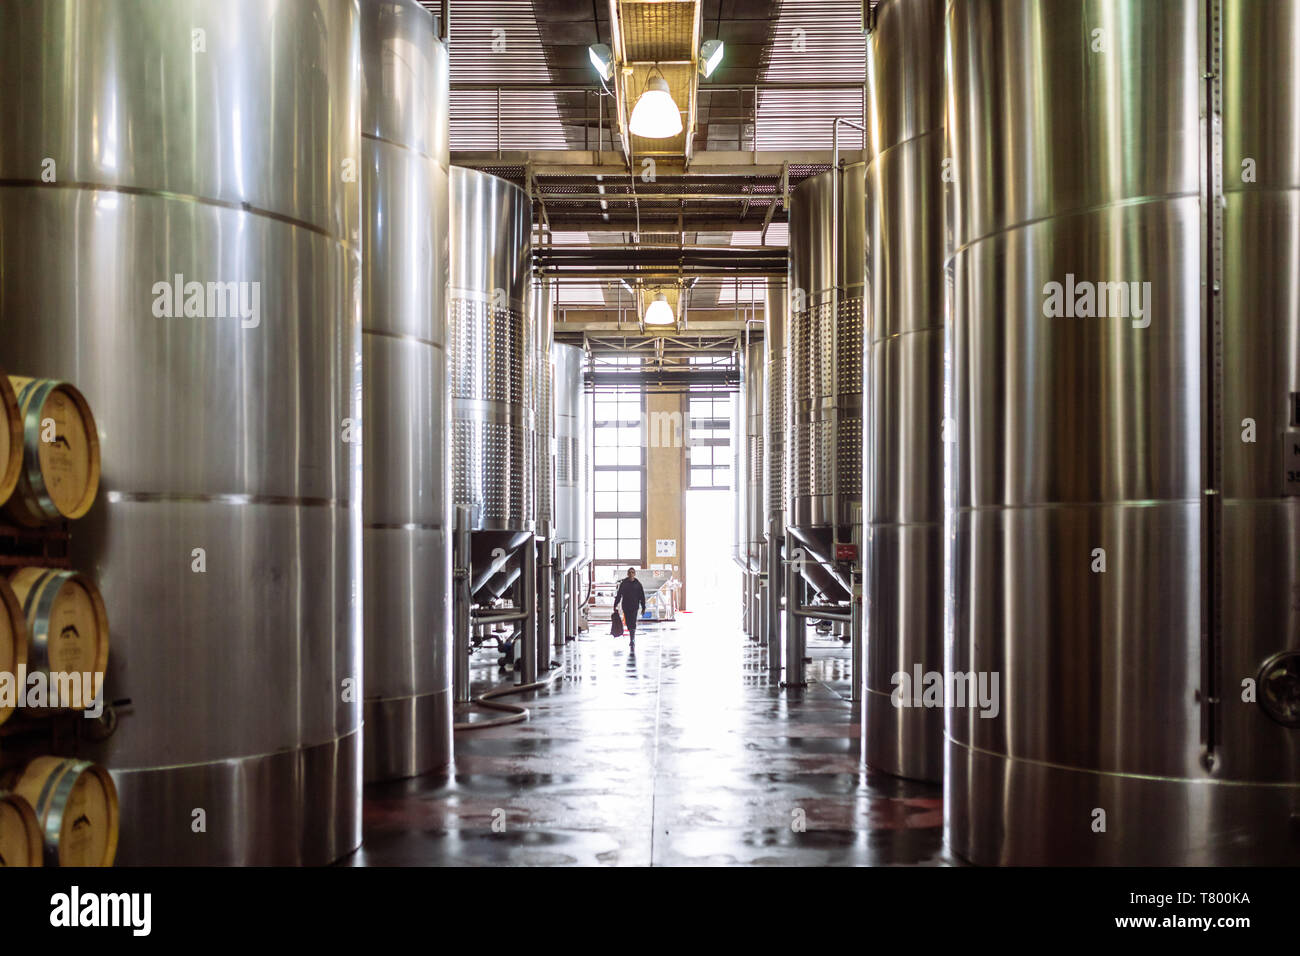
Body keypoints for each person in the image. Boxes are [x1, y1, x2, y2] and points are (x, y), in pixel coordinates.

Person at [614, 567, 646, 645]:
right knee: (628, 622)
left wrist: (643, 607)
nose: (631, 574)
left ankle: (632, 639)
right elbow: (619, 595)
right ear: (628, 574)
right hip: (626, 606)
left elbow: (642, 596)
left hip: (635, 606)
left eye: (632, 572)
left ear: (634, 574)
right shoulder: (624, 583)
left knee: (633, 622)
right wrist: (615, 604)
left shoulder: (638, 584)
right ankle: (631, 634)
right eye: (630, 572)